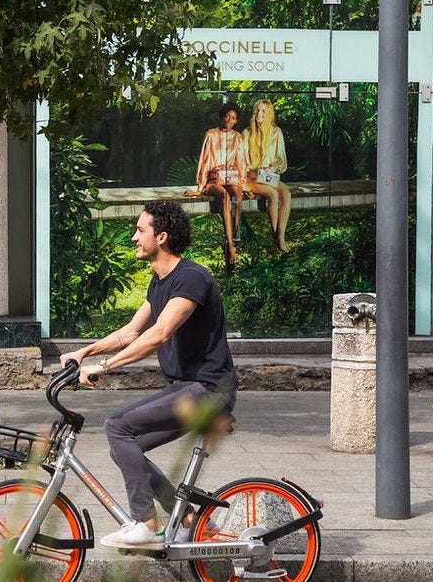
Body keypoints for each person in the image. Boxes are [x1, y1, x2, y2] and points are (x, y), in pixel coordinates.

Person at [60, 200, 237, 548]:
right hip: (188, 388)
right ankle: (188, 517)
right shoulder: (159, 283)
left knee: (117, 426)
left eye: (140, 230)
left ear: (162, 237)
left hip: (209, 390)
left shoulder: (191, 278)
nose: (133, 237)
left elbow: (159, 334)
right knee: (125, 448)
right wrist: (85, 351)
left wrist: (105, 368)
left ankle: (146, 523)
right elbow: (130, 332)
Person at [188, 102, 247, 265]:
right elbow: (204, 160)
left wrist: (244, 184)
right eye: (227, 116)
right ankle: (230, 244)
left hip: (231, 177)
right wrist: (200, 188)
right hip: (213, 180)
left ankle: (234, 236)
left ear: (236, 121)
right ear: (222, 117)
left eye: (233, 118)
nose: (229, 120)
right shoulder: (211, 134)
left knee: (237, 193)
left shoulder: (237, 137)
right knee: (225, 196)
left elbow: (241, 162)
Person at [242, 99, 293, 252]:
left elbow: (281, 159)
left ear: (269, 114)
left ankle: (280, 235)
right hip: (250, 177)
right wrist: (251, 172)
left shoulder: (276, 132)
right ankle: (276, 235)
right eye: (257, 110)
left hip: (267, 175)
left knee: (286, 194)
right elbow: (242, 161)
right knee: (272, 194)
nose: (259, 113)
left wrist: (271, 169)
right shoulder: (247, 133)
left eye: (263, 111)